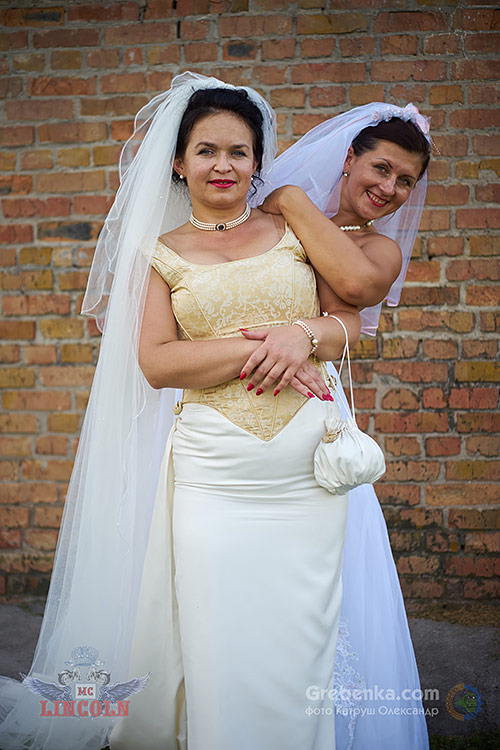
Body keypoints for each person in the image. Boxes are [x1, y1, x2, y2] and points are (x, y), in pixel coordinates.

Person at [0, 74, 430, 750]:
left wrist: (305, 334)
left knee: (301, 635)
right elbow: (157, 362)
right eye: (206, 151)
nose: (223, 165)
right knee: (218, 630)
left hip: (304, 474)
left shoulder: (294, 228)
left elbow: (346, 318)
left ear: (259, 163)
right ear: (179, 162)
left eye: (239, 152)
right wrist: (263, 345)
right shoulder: (157, 255)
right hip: (214, 470)